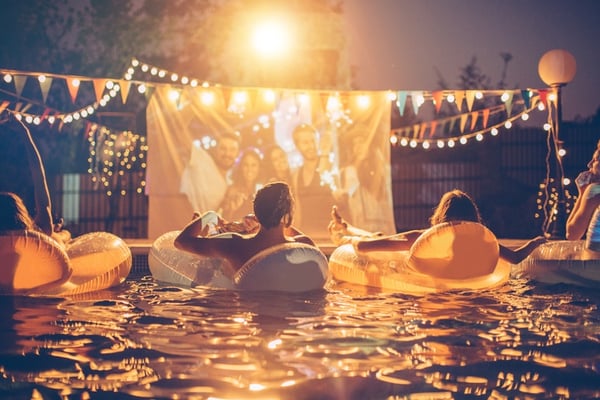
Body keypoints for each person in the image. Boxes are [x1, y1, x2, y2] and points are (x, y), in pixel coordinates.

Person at [329, 189, 546, 264]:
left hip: (433, 296)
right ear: (473, 218)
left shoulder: (423, 239)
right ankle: (346, 227)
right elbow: (517, 258)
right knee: (379, 235)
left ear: (442, 216)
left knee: (375, 237)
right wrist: (535, 242)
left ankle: (345, 231)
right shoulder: (481, 241)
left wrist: (351, 243)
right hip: (472, 300)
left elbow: (365, 248)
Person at [175, 181, 316, 275]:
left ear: (256, 212)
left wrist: (208, 216)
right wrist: (272, 222)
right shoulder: (304, 245)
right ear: (288, 214)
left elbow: (181, 242)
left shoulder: (235, 245)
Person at [0, 112, 70, 245]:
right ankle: (62, 233)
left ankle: (62, 233)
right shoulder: (36, 235)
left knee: (59, 235)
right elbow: (39, 179)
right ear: (20, 211)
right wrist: (24, 132)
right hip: (42, 251)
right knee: (60, 236)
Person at [290, 123, 344, 237]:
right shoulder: (296, 175)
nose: (311, 146)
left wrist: (325, 152)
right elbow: (298, 209)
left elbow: (324, 173)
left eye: (313, 141)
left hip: (329, 235)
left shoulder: (329, 164)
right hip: (307, 235)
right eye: (305, 142)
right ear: (297, 146)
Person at [180, 131, 241, 214]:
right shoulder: (202, 158)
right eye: (223, 148)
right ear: (216, 150)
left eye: (232, 150)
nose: (227, 153)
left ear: (237, 153)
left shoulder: (229, 184)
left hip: (203, 226)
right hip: (182, 218)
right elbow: (180, 134)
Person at [566, 140, 600, 253]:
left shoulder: (595, 190)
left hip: (595, 266)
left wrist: (582, 193)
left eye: (595, 159)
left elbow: (572, 234)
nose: (589, 164)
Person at [220, 147, 263, 221]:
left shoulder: (263, 188)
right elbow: (224, 221)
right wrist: (232, 209)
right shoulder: (232, 190)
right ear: (241, 167)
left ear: (259, 168)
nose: (249, 169)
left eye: (254, 165)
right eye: (246, 165)